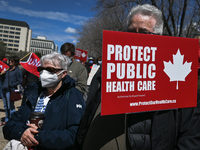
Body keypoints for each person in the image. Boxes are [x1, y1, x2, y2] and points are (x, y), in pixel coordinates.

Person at [76, 4, 200, 150]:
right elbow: (90, 110)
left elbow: (190, 135)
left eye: (144, 32)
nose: (135, 37)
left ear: (158, 36)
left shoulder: (175, 76)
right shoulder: (109, 67)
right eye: (130, 31)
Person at [3, 52, 85, 150]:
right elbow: (9, 125)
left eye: (50, 70)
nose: (44, 73)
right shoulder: (34, 94)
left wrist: (37, 136)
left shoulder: (73, 96)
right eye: (41, 69)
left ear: (63, 74)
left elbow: (74, 135)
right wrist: (22, 132)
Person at [0, 56, 22, 126]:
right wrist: (3, 74)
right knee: (6, 106)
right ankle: (7, 120)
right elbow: (4, 79)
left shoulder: (18, 71)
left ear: (15, 62)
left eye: (11, 61)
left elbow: (20, 80)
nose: (9, 62)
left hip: (11, 90)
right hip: (4, 89)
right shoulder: (7, 69)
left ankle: (12, 120)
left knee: (11, 107)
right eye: (9, 60)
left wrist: (11, 84)